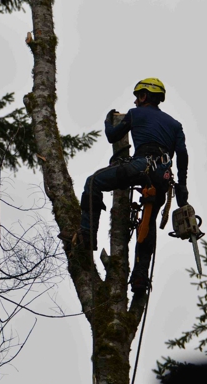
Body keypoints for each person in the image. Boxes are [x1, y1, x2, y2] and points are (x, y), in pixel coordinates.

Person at [79, 78, 189, 293]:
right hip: (163, 176)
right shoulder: (175, 125)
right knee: (147, 223)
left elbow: (113, 137)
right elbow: (183, 155)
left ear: (144, 96)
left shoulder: (135, 113)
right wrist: (182, 186)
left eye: (138, 96)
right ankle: (140, 277)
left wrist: (107, 121)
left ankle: (87, 235)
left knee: (93, 182)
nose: (136, 101)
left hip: (141, 165)